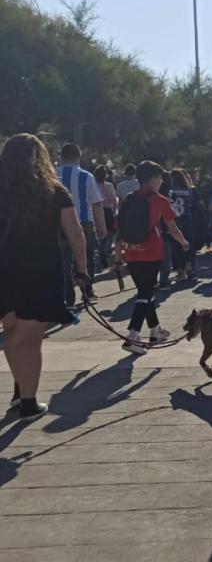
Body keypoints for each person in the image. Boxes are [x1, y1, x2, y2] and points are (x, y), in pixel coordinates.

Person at [0, 134, 91, 422]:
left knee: (13, 330)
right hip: (41, 269)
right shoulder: (54, 191)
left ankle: (19, 390)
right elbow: (76, 234)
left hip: (5, 269)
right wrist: (82, 269)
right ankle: (28, 402)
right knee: (27, 340)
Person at [114, 161, 189, 356]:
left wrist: (117, 254)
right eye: (160, 177)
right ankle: (132, 336)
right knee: (145, 294)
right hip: (151, 251)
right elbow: (172, 227)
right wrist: (183, 242)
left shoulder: (128, 199)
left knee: (145, 292)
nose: (162, 180)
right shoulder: (159, 200)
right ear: (153, 178)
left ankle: (155, 330)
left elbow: (119, 228)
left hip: (131, 251)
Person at [57, 143, 106, 305]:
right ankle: (87, 291)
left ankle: (67, 296)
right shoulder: (86, 176)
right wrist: (101, 226)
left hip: (59, 224)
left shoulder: (52, 175)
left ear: (61, 157)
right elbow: (96, 203)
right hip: (84, 221)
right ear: (78, 157)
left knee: (64, 260)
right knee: (87, 257)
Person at [168, 169, 198, 280]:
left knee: (176, 246)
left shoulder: (170, 192)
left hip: (175, 220)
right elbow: (192, 205)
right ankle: (189, 264)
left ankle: (180, 271)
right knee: (189, 243)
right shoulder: (189, 190)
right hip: (187, 219)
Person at [95, 165, 118, 270]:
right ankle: (106, 249)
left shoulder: (93, 185)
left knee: (100, 233)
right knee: (110, 233)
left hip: (96, 211)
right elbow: (114, 200)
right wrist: (114, 209)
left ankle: (101, 252)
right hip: (108, 211)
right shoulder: (109, 186)